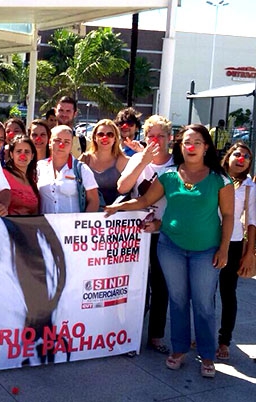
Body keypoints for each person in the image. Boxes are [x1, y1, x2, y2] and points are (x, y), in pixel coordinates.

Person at [106, 124, 233, 378]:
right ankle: (179, 349)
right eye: (187, 142)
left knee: (203, 304)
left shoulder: (220, 179)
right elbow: (144, 201)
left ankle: (207, 356)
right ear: (180, 146)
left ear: (206, 146)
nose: (191, 147)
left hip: (206, 251)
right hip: (170, 247)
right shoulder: (170, 175)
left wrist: (224, 249)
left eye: (197, 142)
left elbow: (228, 216)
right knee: (177, 301)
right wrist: (118, 208)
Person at [117, 115, 175, 355]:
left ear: (169, 138)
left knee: (161, 286)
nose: (156, 140)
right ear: (145, 137)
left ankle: (156, 335)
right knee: (134, 286)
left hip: (165, 232)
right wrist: (143, 162)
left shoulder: (176, 164)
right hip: (135, 233)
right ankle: (130, 336)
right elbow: (122, 187)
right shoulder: (138, 159)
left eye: (161, 136)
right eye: (152, 136)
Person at [217, 142, 255, 360]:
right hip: (207, 241)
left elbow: (252, 222)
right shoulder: (214, 179)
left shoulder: (250, 187)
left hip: (233, 244)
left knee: (227, 294)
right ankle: (202, 335)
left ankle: (224, 340)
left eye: (247, 157)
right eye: (238, 154)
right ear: (228, 156)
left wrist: (249, 253)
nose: (242, 159)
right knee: (204, 294)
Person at [37, 125, 99, 213]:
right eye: (57, 140)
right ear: (50, 142)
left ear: (71, 145)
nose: (61, 145)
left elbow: (94, 201)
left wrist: (81, 223)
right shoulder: (39, 167)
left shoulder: (82, 169)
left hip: (71, 225)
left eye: (67, 142)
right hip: (45, 225)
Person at [79, 119, 129, 205]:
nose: (105, 138)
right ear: (94, 137)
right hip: (88, 214)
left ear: (115, 138)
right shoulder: (85, 159)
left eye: (110, 134)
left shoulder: (123, 161)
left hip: (115, 214)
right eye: (100, 134)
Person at [3, 135, 39, 215]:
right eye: (19, 151)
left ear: (32, 156)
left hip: (28, 226)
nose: (23, 155)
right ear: (12, 154)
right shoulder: (3, 175)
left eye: (27, 152)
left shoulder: (32, 180)